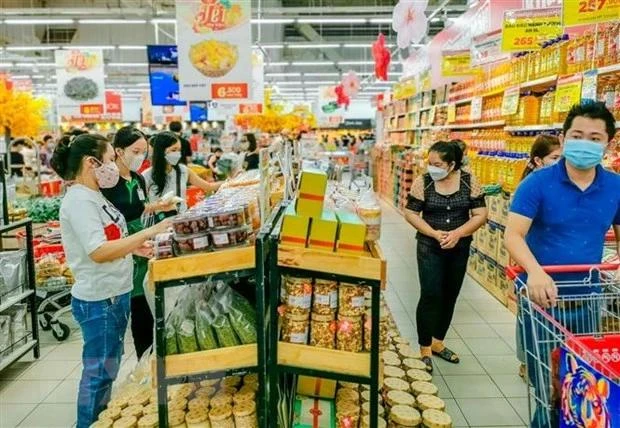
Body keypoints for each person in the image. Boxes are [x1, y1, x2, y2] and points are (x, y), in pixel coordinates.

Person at [504, 102, 620, 427]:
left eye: (595, 138)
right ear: (564, 138)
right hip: (542, 300)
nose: (585, 143)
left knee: (583, 384)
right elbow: (513, 235)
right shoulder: (537, 183)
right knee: (547, 388)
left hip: (588, 297)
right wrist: (536, 272)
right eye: (577, 135)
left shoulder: (615, 186)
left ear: (608, 143)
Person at [50, 133, 170, 428]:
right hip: (99, 301)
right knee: (98, 374)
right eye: (109, 160)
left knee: (107, 371)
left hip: (115, 295)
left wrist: (133, 247)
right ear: (91, 162)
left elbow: (110, 238)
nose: (113, 167)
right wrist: (148, 233)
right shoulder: (79, 200)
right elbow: (98, 251)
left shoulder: (95, 196)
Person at [405, 141, 487, 373]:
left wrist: (458, 234)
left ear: (452, 164)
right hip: (429, 246)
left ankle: (438, 342)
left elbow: (480, 214)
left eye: (437, 164)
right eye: (430, 163)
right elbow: (411, 212)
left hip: (459, 247)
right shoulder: (424, 182)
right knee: (431, 294)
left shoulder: (469, 181)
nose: (432, 168)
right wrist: (432, 232)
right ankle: (424, 348)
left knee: (450, 294)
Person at [101, 126, 177, 359]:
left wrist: (158, 206)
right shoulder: (108, 183)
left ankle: (156, 359)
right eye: (136, 151)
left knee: (150, 300)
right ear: (119, 151)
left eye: (144, 152)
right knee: (138, 307)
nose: (140, 156)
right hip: (122, 245)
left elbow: (139, 208)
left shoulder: (136, 179)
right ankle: (144, 359)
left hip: (143, 241)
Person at [514, 134, 561, 379]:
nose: (560, 162)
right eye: (555, 158)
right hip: (533, 264)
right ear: (538, 160)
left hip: (552, 270)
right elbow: (515, 234)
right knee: (529, 319)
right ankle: (528, 361)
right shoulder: (532, 186)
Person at [142, 131, 221, 216]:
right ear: (161, 151)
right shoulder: (146, 176)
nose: (177, 153)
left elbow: (208, 186)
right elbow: (141, 207)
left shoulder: (183, 170)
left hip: (181, 220)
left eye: (179, 150)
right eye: (173, 150)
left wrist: (230, 182)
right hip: (159, 223)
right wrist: (158, 205)